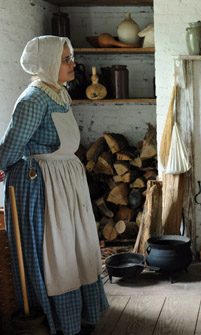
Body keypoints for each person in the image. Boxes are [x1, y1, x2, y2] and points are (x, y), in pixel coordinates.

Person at [0, 36, 108, 334]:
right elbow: (12, 147)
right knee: (54, 250)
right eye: (65, 59)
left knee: (73, 246)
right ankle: (55, 320)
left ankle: (79, 316)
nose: (73, 64)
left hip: (63, 179)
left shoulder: (58, 92)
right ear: (47, 63)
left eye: (69, 57)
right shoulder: (33, 99)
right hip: (41, 183)